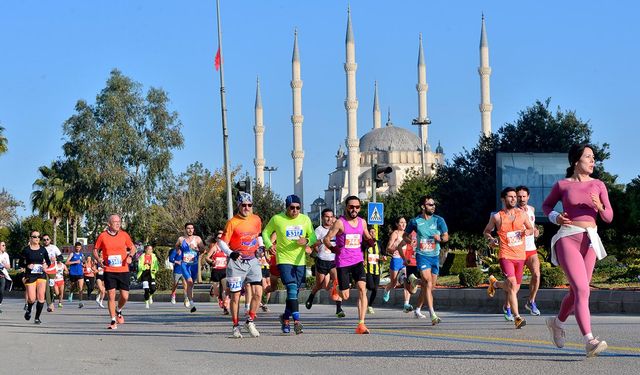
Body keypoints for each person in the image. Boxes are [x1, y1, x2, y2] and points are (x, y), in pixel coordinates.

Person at [542, 144, 612, 357]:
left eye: (594, 158)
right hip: (567, 238)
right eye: (588, 157)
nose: (593, 161)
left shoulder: (599, 185)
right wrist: (556, 217)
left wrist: (599, 206)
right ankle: (589, 340)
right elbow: (546, 207)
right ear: (576, 161)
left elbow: (608, 217)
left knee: (576, 292)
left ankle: (557, 323)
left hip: (590, 240)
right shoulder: (563, 185)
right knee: (583, 290)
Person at [262, 194, 317, 335]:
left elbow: (313, 236)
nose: (295, 211)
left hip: (300, 261)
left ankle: (285, 318)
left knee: (295, 293)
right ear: (287, 207)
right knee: (292, 289)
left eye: (298, 208)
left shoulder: (305, 219)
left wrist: (307, 241)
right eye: (292, 208)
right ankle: (297, 321)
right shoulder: (277, 219)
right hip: (284, 259)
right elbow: (265, 233)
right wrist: (269, 245)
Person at [323, 196, 377, 334]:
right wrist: (334, 249)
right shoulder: (340, 223)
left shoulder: (362, 222)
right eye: (351, 207)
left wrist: (371, 241)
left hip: (358, 260)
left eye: (357, 207)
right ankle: (336, 286)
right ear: (346, 207)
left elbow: (366, 236)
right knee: (345, 296)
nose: (354, 209)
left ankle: (361, 324)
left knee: (361, 289)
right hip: (343, 262)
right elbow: (326, 239)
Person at [484, 187, 533, 329]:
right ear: (503, 199)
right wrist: (491, 239)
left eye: (515, 197)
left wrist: (527, 231)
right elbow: (487, 231)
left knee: (514, 288)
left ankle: (495, 284)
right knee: (512, 284)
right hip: (506, 255)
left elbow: (530, 228)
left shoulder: (522, 214)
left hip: (520, 256)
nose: (514, 199)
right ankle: (517, 317)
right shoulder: (497, 217)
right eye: (510, 197)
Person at [217, 192, 264, 338]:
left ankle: (250, 320)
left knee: (258, 293)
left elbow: (258, 235)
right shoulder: (232, 222)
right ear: (239, 205)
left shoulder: (256, 219)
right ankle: (235, 325)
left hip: (253, 261)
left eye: (249, 205)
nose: (247, 208)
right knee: (236, 297)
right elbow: (222, 242)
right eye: (243, 205)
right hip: (237, 263)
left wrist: (261, 247)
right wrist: (230, 253)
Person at [399, 196, 449, 325]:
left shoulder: (439, 220)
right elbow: (405, 235)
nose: (433, 206)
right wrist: (408, 239)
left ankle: (415, 283)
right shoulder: (415, 221)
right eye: (430, 204)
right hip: (422, 255)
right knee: (427, 281)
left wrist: (440, 238)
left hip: (434, 256)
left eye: (433, 204)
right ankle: (433, 314)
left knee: (430, 286)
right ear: (423, 206)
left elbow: (446, 237)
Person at [93, 214, 135, 330]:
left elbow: (132, 247)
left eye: (119, 221)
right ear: (109, 224)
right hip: (109, 270)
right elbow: (95, 250)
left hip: (123, 269)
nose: (118, 224)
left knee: (125, 296)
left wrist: (130, 256)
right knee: (111, 295)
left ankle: (119, 310)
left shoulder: (124, 235)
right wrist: (98, 260)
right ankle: (112, 320)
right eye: (115, 222)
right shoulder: (102, 236)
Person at [305, 208, 345, 318]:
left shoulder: (337, 229)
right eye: (327, 216)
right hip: (322, 260)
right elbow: (312, 244)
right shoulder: (319, 230)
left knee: (337, 282)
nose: (329, 219)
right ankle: (311, 297)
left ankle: (339, 309)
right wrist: (321, 241)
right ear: (322, 218)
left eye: (331, 216)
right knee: (320, 285)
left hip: (334, 260)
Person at [516, 185, 542, 315]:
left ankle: (531, 302)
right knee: (515, 283)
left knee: (536, 275)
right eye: (519, 197)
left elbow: (532, 226)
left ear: (528, 197)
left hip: (531, 249)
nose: (521, 199)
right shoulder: (512, 212)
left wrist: (535, 230)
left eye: (524, 196)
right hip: (517, 251)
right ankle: (508, 307)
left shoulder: (531, 209)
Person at [20, 231, 52, 324]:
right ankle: (29, 309)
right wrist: (27, 266)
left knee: (41, 297)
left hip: (41, 274)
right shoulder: (26, 250)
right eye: (34, 237)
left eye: (39, 236)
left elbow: (48, 261)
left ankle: (37, 318)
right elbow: (21, 263)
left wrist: (46, 265)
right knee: (32, 298)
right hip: (30, 275)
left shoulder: (42, 249)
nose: (37, 238)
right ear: (30, 238)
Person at [175, 223, 205, 313]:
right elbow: (176, 246)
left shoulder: (197, 239)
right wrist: (178, 251)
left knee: (191, 284)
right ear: (185, 229)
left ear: (193, 229)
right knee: (189, 282)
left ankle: (188, 296)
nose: (190, 230)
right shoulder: (181, 239)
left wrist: (196, 249)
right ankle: (192, 304)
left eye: (192, 228)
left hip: (194, 264)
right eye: (188, 228)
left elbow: (203, 249)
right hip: (185, 264)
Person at [382, 217, 412, 310]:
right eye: (401, 222)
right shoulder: (395, 234)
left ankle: (406, 304)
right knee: (394, 282)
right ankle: (387, 289)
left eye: (405, 222)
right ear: (397, 224)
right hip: (396, 259)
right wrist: (395, 248)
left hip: (404, 260)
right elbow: (388, 248)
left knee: (407, 282)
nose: (403, 224)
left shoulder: (408, 234)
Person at [205, 231, 229, 315]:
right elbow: (207, 257)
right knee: (217, 292)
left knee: (226, 289)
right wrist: (211, 261)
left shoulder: (226, 247)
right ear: (216, 239)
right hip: (216, 271)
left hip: (224, 270)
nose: (220, 239)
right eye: (218, 238)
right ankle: (219, 297)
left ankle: (226, 306)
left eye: (221, 237)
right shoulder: (214, 247)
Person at [364, 227, 384, 314]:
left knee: (375, 289)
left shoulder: (379, 243)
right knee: (371, 287)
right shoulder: (364, 243)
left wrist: (383, 257)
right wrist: (362, 260)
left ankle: (370, 305)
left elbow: (383, 254)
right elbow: (360, 253)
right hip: (367, 269)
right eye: (370, 232)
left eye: (373, 232)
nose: (372, 233)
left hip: (377, 269)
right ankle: (363, 298)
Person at [41, 235, 60, 312]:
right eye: (44, 240)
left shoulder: (54, 247)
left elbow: (61, 257)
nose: (46, 241)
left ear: (50, 240)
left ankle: (52, 300)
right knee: (46, 288)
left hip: (52, 270)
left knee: (52, 287)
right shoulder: (41, 248)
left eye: (47, 239)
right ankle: (49, 304)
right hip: (44, 270)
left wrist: (56, 258)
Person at [136, 245, 159, 309]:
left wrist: (155, 269)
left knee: (153, 288)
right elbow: (139, 266)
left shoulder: (154, 256)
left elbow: (156, 265)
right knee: (146, 289)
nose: (150, 251)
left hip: (151, 274)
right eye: (149, 249)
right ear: (145, 250)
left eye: (151, 249)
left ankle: (150, 295)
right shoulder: (142, 256)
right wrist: (145, 266)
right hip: (144, 274)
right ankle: (146, 302)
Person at [66, 242, 85, 308]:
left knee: (80, 288)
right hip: (73, 273)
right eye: (77, 247)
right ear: (75, 247)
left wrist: (83, 265)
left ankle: (80, 302)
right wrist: (75, 262)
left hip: (80, 273)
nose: (78, 249)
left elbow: (83, 262)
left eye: (79, 247)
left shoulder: (82, 255)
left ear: (81, 248)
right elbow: (67, 262)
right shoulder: (72, 254)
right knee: (73, 286)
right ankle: (70, 293)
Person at [0, 241, 11, 311]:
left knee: (1, 290)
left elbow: (9, 266)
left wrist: (4, 264)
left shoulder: (6, 255)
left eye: (5, 245)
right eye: (3, 245)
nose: (4, 246)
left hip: (2, 274)